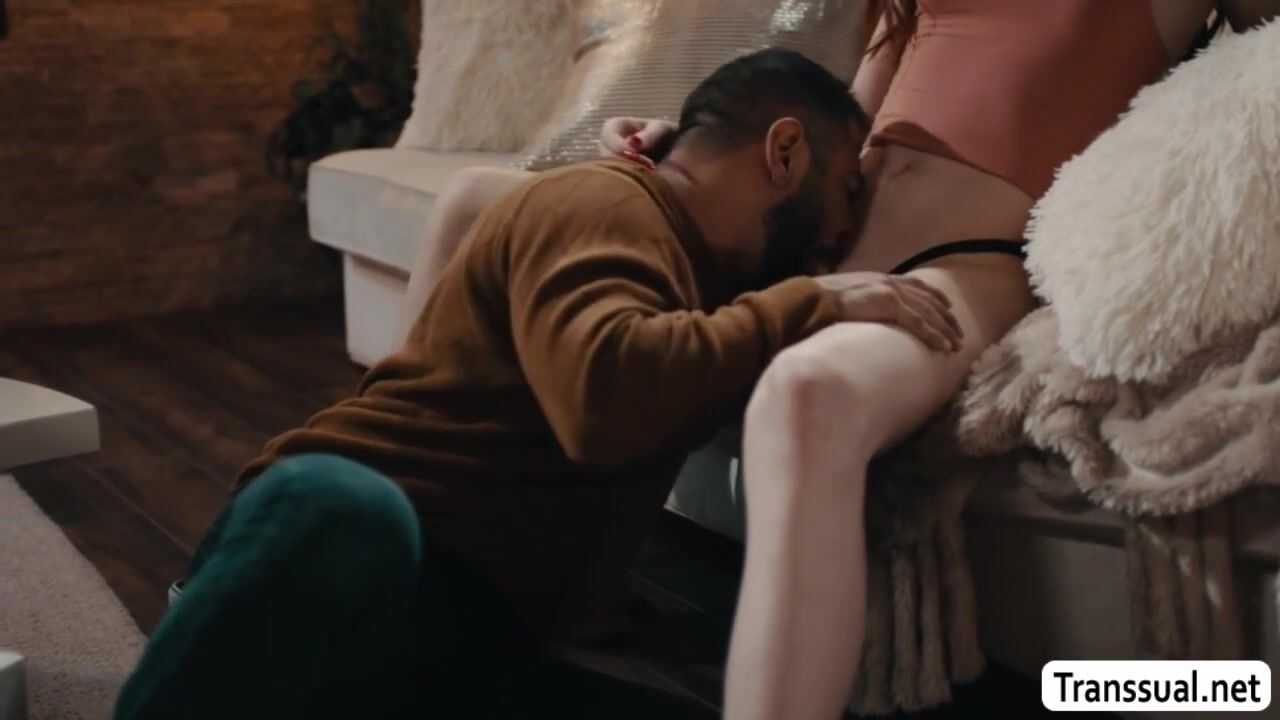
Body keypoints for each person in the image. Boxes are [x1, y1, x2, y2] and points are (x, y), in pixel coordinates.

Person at [398, 2, 1280, 718]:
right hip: (820, 241)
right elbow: (838, 132)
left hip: (961, 260)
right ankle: (398, 554)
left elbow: (1257, 71)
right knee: (474, 204)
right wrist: (689, 151)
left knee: (805, 392)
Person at [113, 49, 964, 720]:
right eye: (847, 190)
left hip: (460, 636)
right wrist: (817, 299)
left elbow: (676, 361)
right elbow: (604, 400)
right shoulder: (605, 206)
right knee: (340, 500)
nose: (845, 229)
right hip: (345, 565)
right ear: (784, 151)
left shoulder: (693, 265)